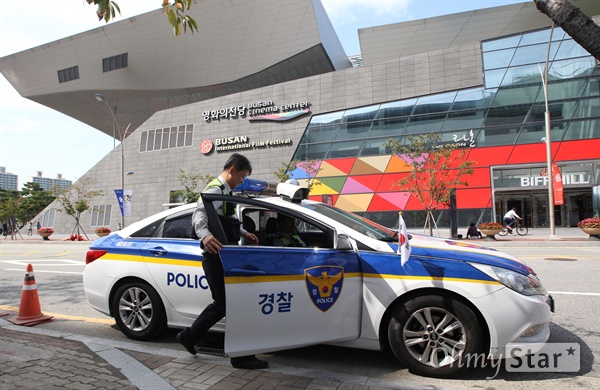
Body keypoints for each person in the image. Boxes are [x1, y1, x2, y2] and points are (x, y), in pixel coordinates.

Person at [177, 153, 267, 369]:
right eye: (242, 176)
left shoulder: (226, 192)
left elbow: (228, 222)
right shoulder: (215, 189)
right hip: (215, 255)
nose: (242, 180)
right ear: (232, 169)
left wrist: (244, 233)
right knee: (231, 304)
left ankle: (190, 336)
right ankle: (240, 356)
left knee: (224, 304)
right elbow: (200, 215)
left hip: (224, 255)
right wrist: (205, 236)